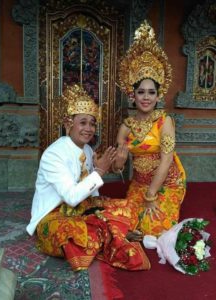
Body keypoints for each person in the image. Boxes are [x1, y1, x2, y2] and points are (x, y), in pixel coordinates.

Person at [26, 84, 150, 271]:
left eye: (92, 123)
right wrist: (99, 171)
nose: (89, 128)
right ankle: (114, 233)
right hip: (54, 214)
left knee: (131, 206)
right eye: (83, 122)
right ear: (69, 124)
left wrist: (115, 167)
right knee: (73, 234)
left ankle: (110, 231)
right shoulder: (54, 154)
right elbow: (71, 197)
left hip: (82, 207)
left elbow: (90, 189)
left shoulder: (87, 149)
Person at [111, 20, 186, 238]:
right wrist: (120, 161)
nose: (146, 97)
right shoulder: (126, 126)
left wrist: (151, 194)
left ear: (158, 95)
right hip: (140, 182)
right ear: (132, 95)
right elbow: (117, 166)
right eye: (141, 92)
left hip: (167, 182)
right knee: (127, 221)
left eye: (151, 92)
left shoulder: (165, 122)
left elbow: (166, 159)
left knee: (154, 227)